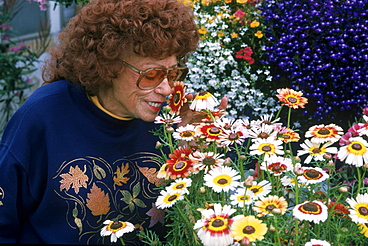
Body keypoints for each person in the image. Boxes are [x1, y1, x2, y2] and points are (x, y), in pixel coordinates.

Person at [0, 0, 227, 244]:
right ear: (108, 66)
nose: (166, 88)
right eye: (151, 75)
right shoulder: (42, 118)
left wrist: (194, 145)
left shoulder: (173, 120)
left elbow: (201, 209)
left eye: (173, 73)